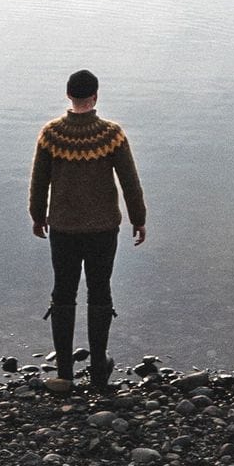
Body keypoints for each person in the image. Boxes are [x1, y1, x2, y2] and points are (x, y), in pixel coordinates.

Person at [29, 69, 146, 393]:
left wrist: (38, 216)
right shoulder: (111, 135)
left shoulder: (51, 134)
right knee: (100, 292)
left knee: (63, 293)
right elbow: (129, 182)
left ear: (68, 95)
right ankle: (97, 371)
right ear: (95, 96)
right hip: (102, 229)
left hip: (63, 229)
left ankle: (64, 372)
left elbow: (39, 182)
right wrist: (139, 218)